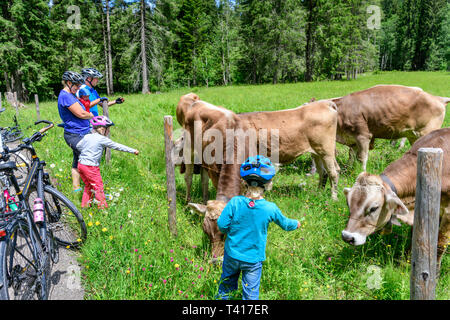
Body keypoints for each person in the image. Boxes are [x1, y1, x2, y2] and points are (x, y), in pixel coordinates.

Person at [216, 155, 300, 300]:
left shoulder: (235, 202)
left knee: (226, 288)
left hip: (231, 254)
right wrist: (296, 223)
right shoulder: (270, 208)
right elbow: (286, 224)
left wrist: (230, 232)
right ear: (269, 183)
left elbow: (222, 225)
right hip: (253, 260)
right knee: (251, 295)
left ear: (244, 182)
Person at [76, 115, 139, 209]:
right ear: (102, 129)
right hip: (91, 167)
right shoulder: (102, 139)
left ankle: (85, 206)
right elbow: (116, 146)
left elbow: (78, 146)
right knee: (98, 188)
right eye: (108, 129)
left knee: (88, 186)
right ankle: (103, 209)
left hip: (81, 165)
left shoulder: (87, 136)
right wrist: (133, 150)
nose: (109, 131)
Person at [58, 71, 94, 192]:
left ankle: (76, 188)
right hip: (76, 134)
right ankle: (92, 189)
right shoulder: (66, 96)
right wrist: (91, 116)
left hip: (79, 132)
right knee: (88, 159)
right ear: (69, 83)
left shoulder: (70, 95)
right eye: (77, 85)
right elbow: (81, 113)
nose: (79, 88)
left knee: (77, 160)